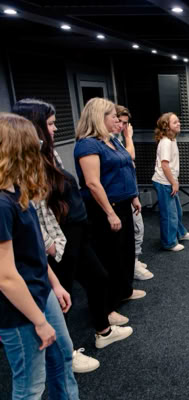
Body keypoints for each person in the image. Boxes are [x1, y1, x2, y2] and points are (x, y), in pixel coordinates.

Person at [13, 99, 133, 371]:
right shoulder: (28, 162)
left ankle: (103, 330)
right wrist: (48, 243)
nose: (55, 129)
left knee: (99, 277)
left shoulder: (47, 153)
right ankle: (65, 354)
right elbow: (33, 210)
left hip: (76, 230)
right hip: (60, 239)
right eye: (51, 124)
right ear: (34, 126)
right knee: (61, 296)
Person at [0, 112, 79, 399]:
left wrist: (54, 284)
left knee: (63, 358)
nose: (40, 150)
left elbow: (33, 250)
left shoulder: (19, 191)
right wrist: (40, 322)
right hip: (19, 308)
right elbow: (6, 277)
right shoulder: (2, 204)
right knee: (30, 387)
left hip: (41, 292)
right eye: (35, 145)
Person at [74, 98, 146, 309]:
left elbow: (127, 166)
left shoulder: (112, 140)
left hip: (123, 203)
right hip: (105, 208)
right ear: (99, 117)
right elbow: (93, 183)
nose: (118, 120)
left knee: (125, 252)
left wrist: (133, 196)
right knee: (109, 255)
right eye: (113, 117)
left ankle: (124, 291)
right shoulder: (87, 144)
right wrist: (110, 213)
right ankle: (108, 306)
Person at [115, 105, 153, 280]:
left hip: (130, 192)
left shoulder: (117, 140)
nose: (122, 126)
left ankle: (134, 259)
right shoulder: (112, 141)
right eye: (119, 121)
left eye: (125, 123)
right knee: (135, 229)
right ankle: (133, 263)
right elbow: (131, 156)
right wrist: (129, 137)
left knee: (137, 228)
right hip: (120, 195)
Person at [152, 112, 189, 251]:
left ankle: (180, 233)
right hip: (164, 182)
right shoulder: (165, 142)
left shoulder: (172, 139)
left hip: (169, 181)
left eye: (178, 121)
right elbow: (165, 166)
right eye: (175, 122)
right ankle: (169, 242)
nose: (179, 124)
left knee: (177, 211)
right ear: (167, 126)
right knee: (169, 214)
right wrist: (174, 183)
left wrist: (174, 180)